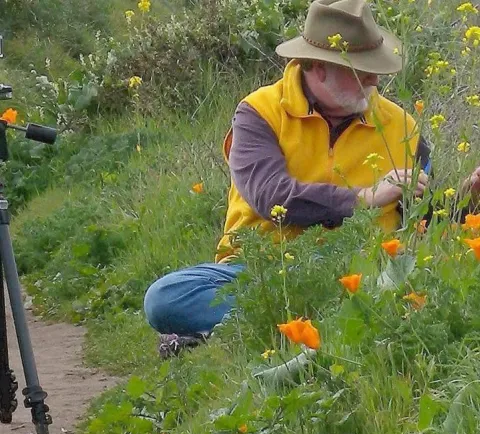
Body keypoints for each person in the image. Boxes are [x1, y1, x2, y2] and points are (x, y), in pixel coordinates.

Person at [144, 0, 480, 357]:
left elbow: (424, 221)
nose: (374, 80)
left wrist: (469, 199)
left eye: (375, 67)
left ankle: (271, 328)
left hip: (364, 272)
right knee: (165, 299)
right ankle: (318, 321)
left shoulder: (401, 126)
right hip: (266, 272)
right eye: (361, 70)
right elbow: (273, 197)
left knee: (410, 285)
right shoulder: (259, 113)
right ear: (317, 67)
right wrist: (366, 199)